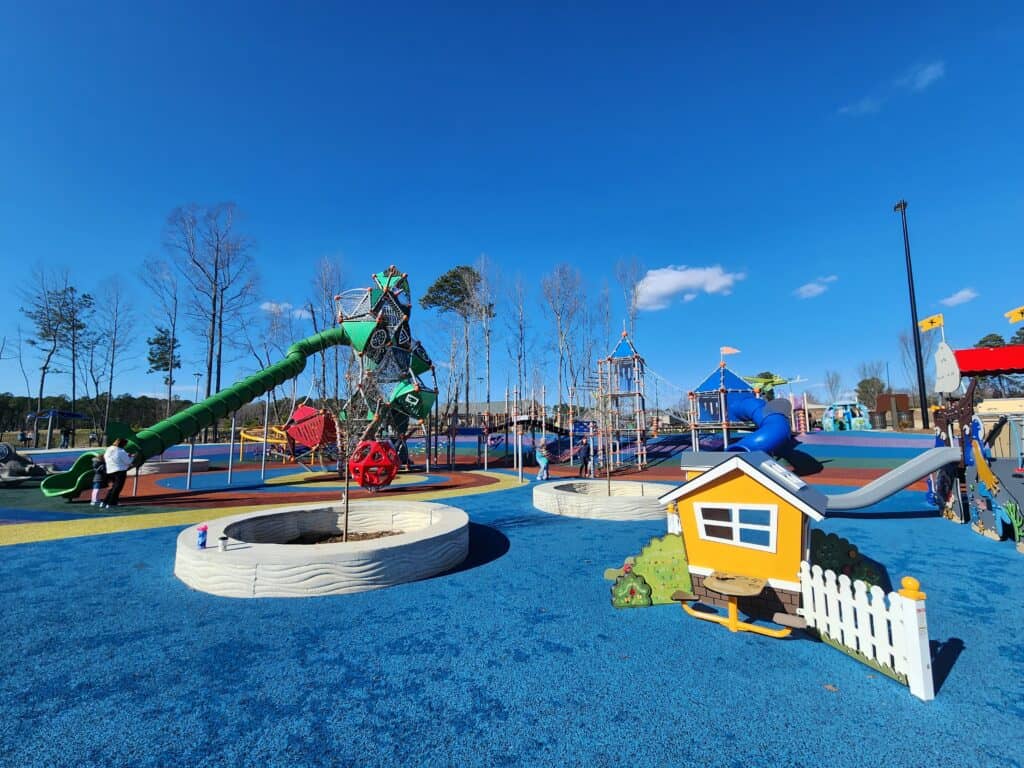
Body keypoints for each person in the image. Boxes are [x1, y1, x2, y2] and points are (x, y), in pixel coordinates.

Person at [101, 438, 133, 508]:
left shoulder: (109, 449)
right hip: (120, 471)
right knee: (117, 488)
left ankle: (105, 501)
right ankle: (111, 503)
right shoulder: (121, 451)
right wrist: (131, 458)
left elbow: (110, 457)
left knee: (113, 487)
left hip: (110, 470)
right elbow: (128, 462)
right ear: (123, 444)